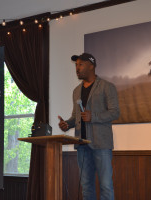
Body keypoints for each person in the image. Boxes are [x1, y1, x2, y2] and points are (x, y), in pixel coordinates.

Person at [58, 53, 120, 200]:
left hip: (101, 144)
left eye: (80, 65)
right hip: (82, 144)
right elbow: (76, 116)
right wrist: (67, 124)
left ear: (91, 65)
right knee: (86, 186)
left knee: (105, 186)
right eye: (76, 65)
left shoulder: (107, 86)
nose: (77, 68)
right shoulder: (76, 91)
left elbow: (115, 112)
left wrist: (95, 117)